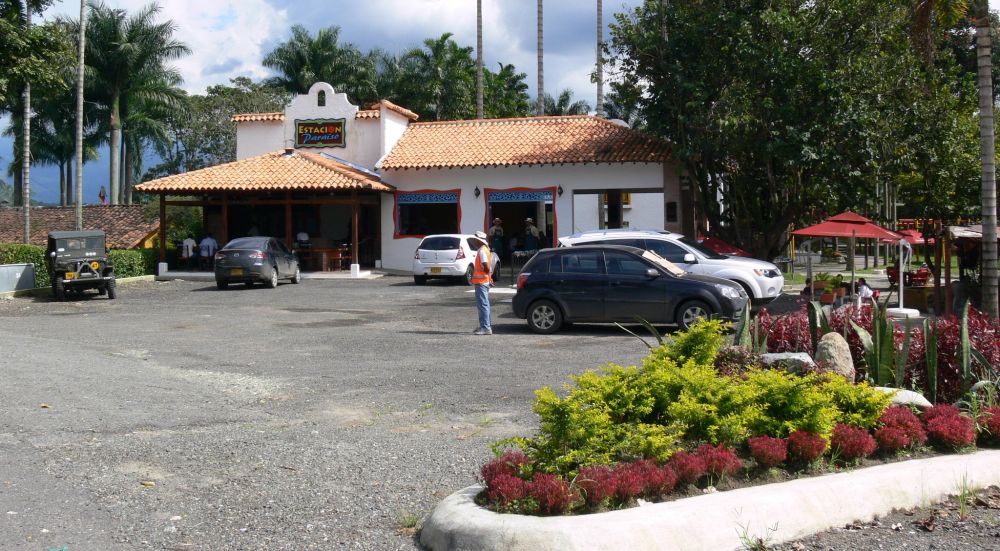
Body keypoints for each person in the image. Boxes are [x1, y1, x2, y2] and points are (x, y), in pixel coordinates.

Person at [471, 230, 494, 335]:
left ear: (479, 241)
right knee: (485, 304)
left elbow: (486, 266)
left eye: (476, 240)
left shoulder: (482, 250)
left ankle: (485, 327)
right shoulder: (485, 249)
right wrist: (489, 277)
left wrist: (487, 275)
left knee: (483, 305)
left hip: (481, 282)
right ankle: (485, 326)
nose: (475, 242)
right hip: (484, 281)